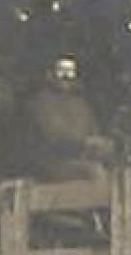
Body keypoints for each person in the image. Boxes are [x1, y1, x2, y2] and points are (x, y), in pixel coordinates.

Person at [29, 56, 114, 186]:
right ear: (50, 74)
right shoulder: (42, 102)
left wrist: (102, 145)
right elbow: (54, 137)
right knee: (94, 172)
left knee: (119, 172)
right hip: (52, 164)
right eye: (61, 71)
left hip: (81, 160)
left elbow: (93, 133)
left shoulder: (81, 104)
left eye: (70, 72)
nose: (66, 77)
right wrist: (84, 143)